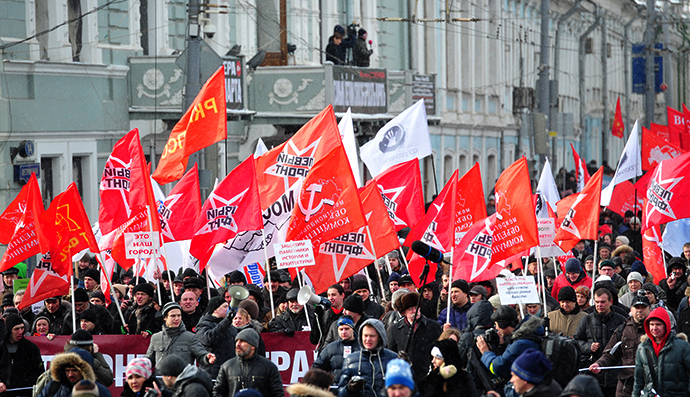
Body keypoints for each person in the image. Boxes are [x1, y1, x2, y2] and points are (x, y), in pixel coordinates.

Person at [590, 294, 651, 397]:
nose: (639, 310)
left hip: (649, 384)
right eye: (636, 307)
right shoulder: (622, 330)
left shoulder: (655, 330)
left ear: (649, 309)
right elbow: (610, 354)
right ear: (631, 309)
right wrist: (599, 364)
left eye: (643, 307)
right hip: (626, 386)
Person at [573, 288, 625, 396]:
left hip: (615, 375)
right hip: (594, 375)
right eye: (597, 302)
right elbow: (577, 341)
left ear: (610, 302)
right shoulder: (586, 320)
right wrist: (588, 347)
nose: (599, 305)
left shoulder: (621, 320)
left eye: (603, 302)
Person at [631, 307, 690, 397]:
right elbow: (638, 380)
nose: (654, 328)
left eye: (658, 324)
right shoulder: (642, 348)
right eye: (651, 324)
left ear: (666, 325)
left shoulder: (682, 347)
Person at [476, 306, 544, 382]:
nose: (496, 328)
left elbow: (499, 368)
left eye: (496, 324)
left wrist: (485, 352)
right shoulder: (526, 335)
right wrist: (503, 346)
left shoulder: (520, 343)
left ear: (503, 325)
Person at [387, 291, 443, 382]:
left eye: (416, 307)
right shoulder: (395, 329)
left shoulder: (433, 326)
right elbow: (391, 352)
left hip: (428, 376)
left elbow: (440, 350)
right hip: (406, 376)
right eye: (410, 309)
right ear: (403, 312)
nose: (414, 311)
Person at [213, 328, 284, 397]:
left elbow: (278, 393)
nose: (238, 344)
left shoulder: (269, 367)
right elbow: (217, 392)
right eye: (237, 341)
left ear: (253, 346)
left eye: (242, 341)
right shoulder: (227, 367)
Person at [338, 319, 398, 397]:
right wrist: (349, 389)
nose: (368, 339)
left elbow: (407, 388)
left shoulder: (393, 358)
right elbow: (341, 393)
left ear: (380, 337)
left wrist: (406, 367)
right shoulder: (350, 359)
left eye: (372, 336)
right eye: (365, 335)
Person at [146, 302, 215, 368]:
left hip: (182, 378)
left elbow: (201, 355)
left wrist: (207, 358)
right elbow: (149, 359)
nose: (177, 318)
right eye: (173, 316)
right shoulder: (156, 338)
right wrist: (139, 364)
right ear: (165, 318)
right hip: (161, 378)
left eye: (179, 315)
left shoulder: (190, 338)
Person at [0, 314, 44, 397]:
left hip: (25, 393)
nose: (20, 332)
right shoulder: (1, 349)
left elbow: (39, 372)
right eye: (16, 329)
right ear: (9, 329)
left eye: (22, 328)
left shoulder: (32, 349)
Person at [37, 348, 111, 397]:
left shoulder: (98, 390)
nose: (70, 374)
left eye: (74, 370)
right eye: (67, 370)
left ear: (84, 371)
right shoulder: (53, 387)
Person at [195, 296, 237, 378]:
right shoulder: (203, 324)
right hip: (212, 372)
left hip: (230, 371)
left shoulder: (230, 326)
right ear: (215, 310)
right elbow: (209, 339)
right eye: (225, 307)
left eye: (228, 306)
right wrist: (227, 320)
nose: (227, 309)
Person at [312, 315, 360, 385]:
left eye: (347, 329)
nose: (343, 332)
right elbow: (317, 367)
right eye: (341, 329)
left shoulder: (362, 347)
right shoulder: (331, 348)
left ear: (353, 329)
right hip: (336, 389)